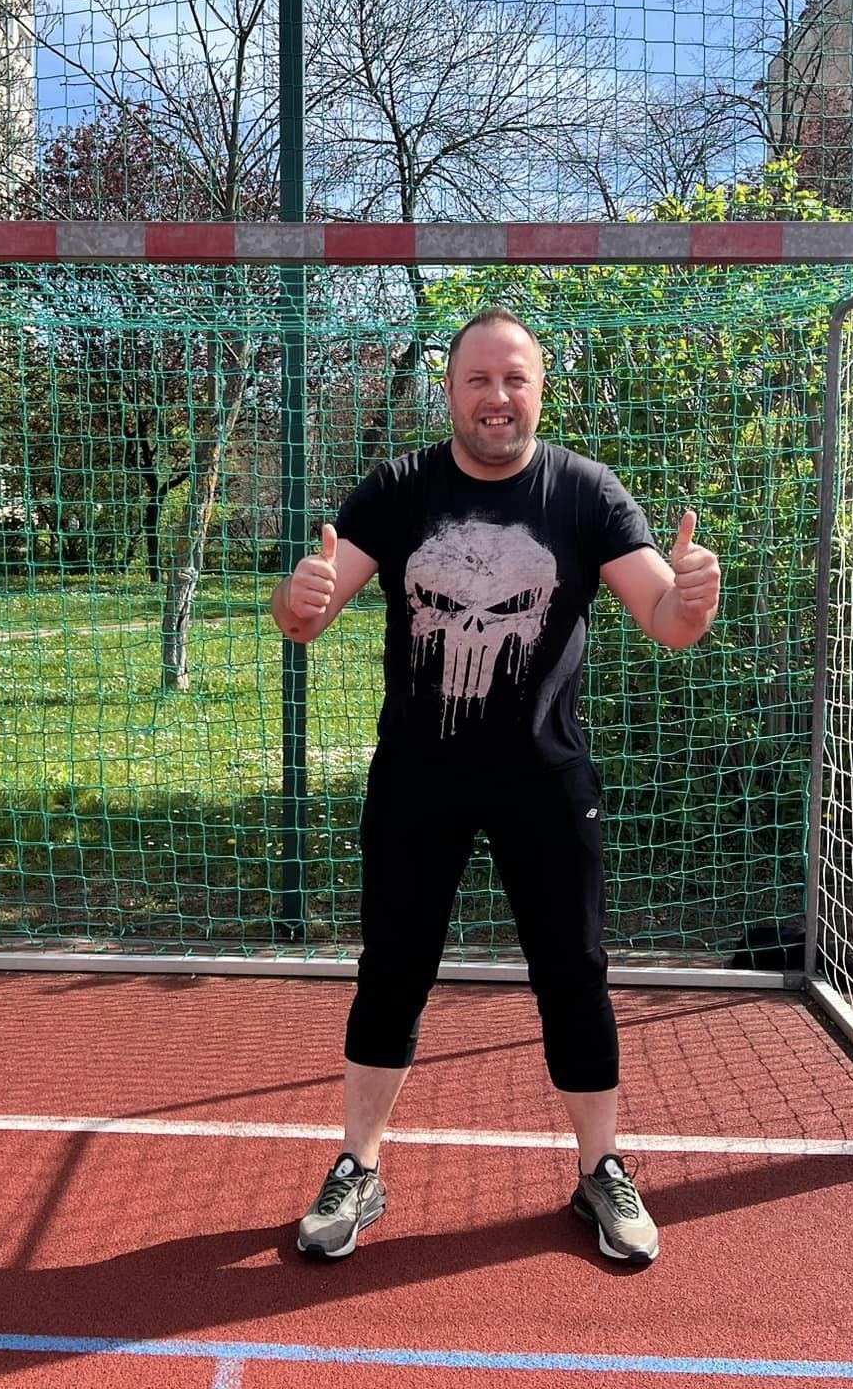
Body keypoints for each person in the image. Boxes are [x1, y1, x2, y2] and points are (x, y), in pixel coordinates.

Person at [269, 305, 722, 1266]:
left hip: (545, 781)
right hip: (417, 778)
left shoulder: (586, 493)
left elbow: (668, 622)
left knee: (575, 973)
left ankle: (600, 1168)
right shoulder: (399, 489)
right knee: (392, 971)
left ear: (539, 391)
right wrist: (294, 599)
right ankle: (358, 1165)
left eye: (514, 379)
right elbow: (307, 613)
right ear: (450, 391)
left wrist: (692, 598)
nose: (496, 397)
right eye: (478, 379)